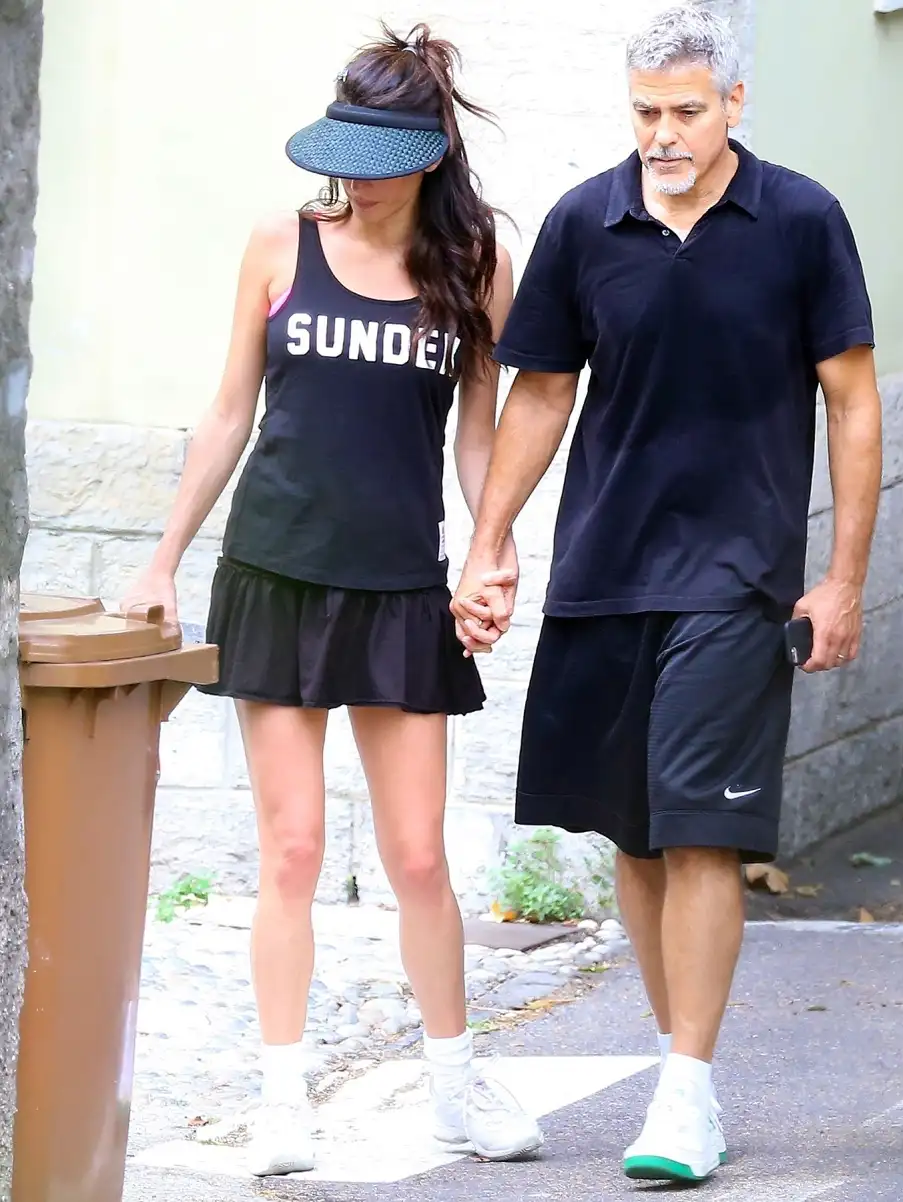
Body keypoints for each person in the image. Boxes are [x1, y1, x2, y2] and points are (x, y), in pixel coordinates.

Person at [452, 3, 882, 1186]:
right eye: (646, 112)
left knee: (701, 828)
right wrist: (491, 542)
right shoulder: (588, 222)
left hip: (739, 581)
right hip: (605, 572)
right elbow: (539, 395)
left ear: (735, 104)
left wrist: (840, 576)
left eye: (687, 111)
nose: (664, 134)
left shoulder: (800, 220)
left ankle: (685, 1091)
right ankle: (678, 1065)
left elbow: (851, 399)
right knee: (634, 838)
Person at [123, 23, 541, 1178]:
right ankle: (281, 1096)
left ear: (425, 154)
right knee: (293, 849)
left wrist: (491, 548)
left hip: (401, 584)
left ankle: (456, 1087)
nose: (350, 174)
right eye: (340, 149)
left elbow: (482, 429)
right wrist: (163, 556)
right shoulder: (280, 241)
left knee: (416, 856)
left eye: (373, 152)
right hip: (275, 572)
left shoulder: (474, 266)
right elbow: (227, 413)